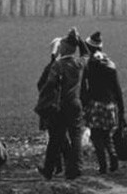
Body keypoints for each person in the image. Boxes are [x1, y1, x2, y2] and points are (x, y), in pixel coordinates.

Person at [35, 27, 89, 180]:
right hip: (75, 104)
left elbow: (49, 84)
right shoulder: (79, 64)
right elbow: (86, 54)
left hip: (60, 106)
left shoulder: (58, 66)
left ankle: (48, 169)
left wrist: (44, 100)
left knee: (55, 139)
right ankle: (75, 168)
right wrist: (80, 40)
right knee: (76, 136)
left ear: (64, 49)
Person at [81, 31, 125, 175]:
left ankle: (103, 165)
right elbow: (117, 89)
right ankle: (113, 157)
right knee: (106, 135)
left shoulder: (90, 65)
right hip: (110, 105)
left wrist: (84, 103)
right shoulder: (111, 65)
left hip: (95, 104)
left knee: (95, 136)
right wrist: (121, 109)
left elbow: (84, 87)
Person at [37, 36, 64, 176]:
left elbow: (40, 84)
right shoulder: (66, 64)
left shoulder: (52, 66)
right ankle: (59, 166)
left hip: (51, 106)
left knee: (54, 138)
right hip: (62, 106)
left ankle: (52, 167)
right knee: (60, 138)